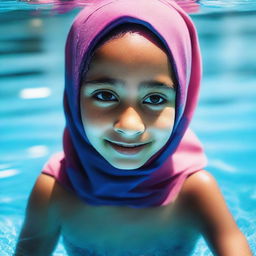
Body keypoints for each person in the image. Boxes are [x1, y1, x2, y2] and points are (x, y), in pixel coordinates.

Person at [14, 0, 252, 255]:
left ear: (183, 101)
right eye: (105, 96)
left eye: (155, 99)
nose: (129, 126)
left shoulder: (193, 192)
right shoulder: (54, 191)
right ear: (73, 96)